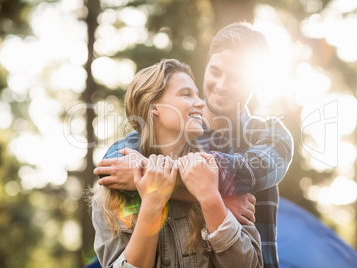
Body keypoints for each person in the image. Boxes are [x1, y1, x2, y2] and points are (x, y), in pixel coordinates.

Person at [94, 22, 294, 268]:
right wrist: (212, 199)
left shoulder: (269, 135)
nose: (222, 85)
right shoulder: (178, 134)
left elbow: (243, 171)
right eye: (216, 71)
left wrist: (154, 173)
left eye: (236, 77)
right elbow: (111, 166)